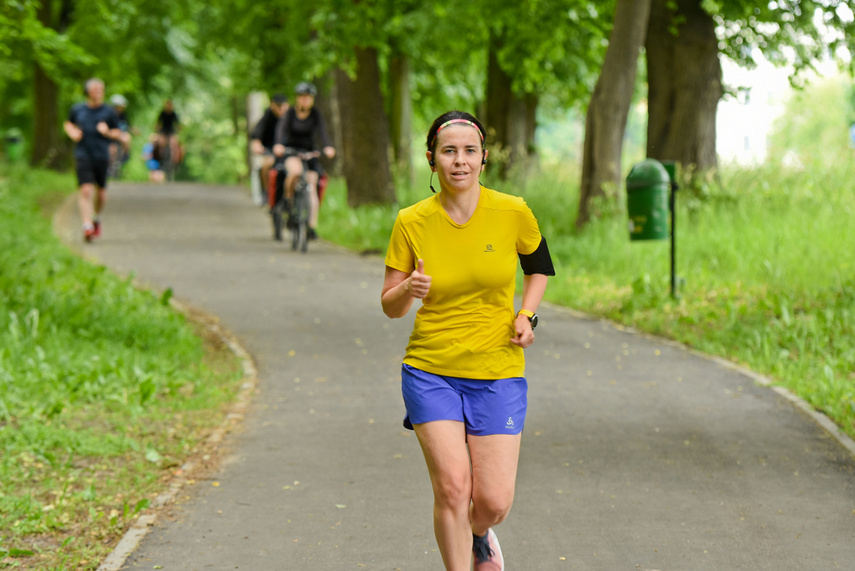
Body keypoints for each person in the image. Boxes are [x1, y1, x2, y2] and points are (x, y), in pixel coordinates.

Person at [381, 110, 555, 571]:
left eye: (469, 151)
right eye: (449, 151)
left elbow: (539, 267)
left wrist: (526, 315)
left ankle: (478, 533)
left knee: (493, 501)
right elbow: (390, 306)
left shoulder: (513, 211)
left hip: (497, 369)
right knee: (453, 487)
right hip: (430, 370)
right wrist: (408, 288)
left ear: (483, 158)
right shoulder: (411, 221)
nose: (460, 160)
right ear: (431, 160)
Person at [273, 82, 335, 240]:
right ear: (297, 98)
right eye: (302, 97)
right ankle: (288, 202)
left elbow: (323, 132)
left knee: (312, 185)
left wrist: (328, 147)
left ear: (312, 99)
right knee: (295, 172)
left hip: (309, 153)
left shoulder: (316, 114)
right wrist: (279, 144)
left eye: (307, 97)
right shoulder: (290, 114)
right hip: (291, 152)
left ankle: (311, 227)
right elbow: (281, 129)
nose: (305, 100)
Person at [63, 77, 123, 242]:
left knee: (101, 193)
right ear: (87, 91)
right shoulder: (77, 109)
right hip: (83, 154)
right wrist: (73, 132)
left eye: (101, 90)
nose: (98, 93)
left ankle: (96, 218)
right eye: (95, 89)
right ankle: (87, 225)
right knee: (85, 190)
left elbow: (118, 133)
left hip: (101, 155)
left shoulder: (109, 112)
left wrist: (107, 132)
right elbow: (68, 123)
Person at [250, 93, 289, 207]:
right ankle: (267, 192)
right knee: (267, 165)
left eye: (283, 106)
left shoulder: (291, 116)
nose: (281, 109)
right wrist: (257, 144)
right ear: (272, 105)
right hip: (270, 149)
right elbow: (257, 132)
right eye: (278, 106)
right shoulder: (268, 116)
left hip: (288, 150)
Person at [155, 99, 181, 167]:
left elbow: (178, 124)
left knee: (174, 144)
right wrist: (157, 128)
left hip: (171, 131)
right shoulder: (163, 113)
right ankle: (160, 158)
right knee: (161, 143)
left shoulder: (174, 114)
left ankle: (174, 161)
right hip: (163, 131)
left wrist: (178, 128)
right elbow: (158, 123)